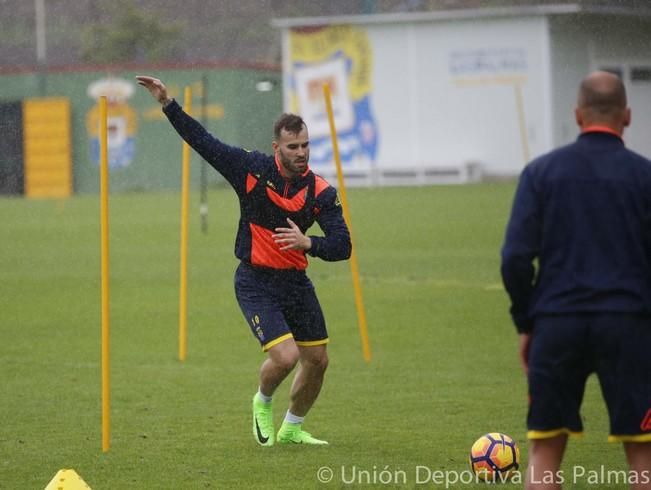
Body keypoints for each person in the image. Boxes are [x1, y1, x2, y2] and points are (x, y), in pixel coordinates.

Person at [136, 75, 351, 447]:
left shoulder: (320, 192)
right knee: (285, 357)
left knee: (317, 360)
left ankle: (292, 428)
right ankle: (262, 401)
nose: (301, 153)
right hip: (255, 281)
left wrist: (308, 242)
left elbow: (342, 245)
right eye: (293, 146)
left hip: (295, 283)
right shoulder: (250, 169)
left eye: (305, 146)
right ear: (277, 148)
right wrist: (168, 104)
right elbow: (204, 142)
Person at [501, 71, 651, 489]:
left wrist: (527, 321)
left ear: (578, 114)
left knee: (546, 450)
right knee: (643, 451)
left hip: (557, 322)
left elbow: (514, 258)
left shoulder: (541, 173)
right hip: (629, 325)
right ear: (628, 115)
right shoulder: (645, 176)